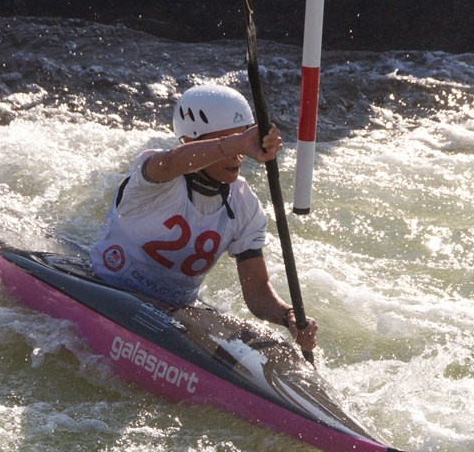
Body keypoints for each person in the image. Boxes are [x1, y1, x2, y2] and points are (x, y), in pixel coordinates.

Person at [90, 84, 318, 351]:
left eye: (244, 141)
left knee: (274, 346)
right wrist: (236, 142)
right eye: (226, 141)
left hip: (175, 311)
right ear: (190, 141)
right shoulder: (155, 174)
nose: (238, 154)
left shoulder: (244, 204)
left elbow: (257, 291)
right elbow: (172, 162)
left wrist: (288, 316)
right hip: (107, 287)